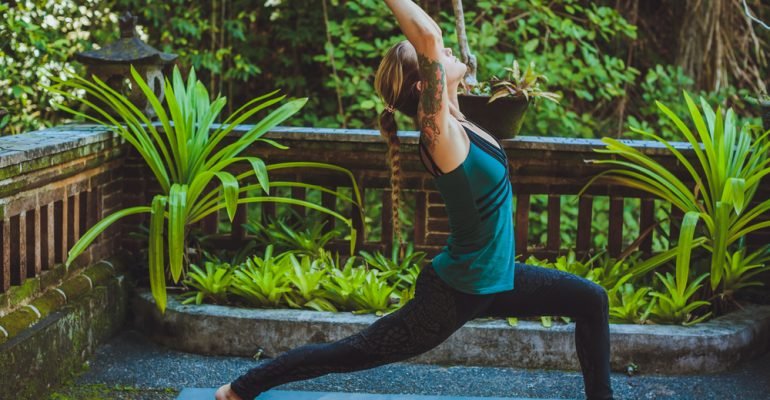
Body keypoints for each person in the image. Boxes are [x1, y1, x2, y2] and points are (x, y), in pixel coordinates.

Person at [216, 1, 614, 399]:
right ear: (426, 86)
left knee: (591, 300)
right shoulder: (440, 138)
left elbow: (436, 49)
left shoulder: (460, 121)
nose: (446, 54)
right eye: (437, 58)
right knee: (353, 352)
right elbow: (428, 36)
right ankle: (239, 390)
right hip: (454, 293)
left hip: (497, 277)